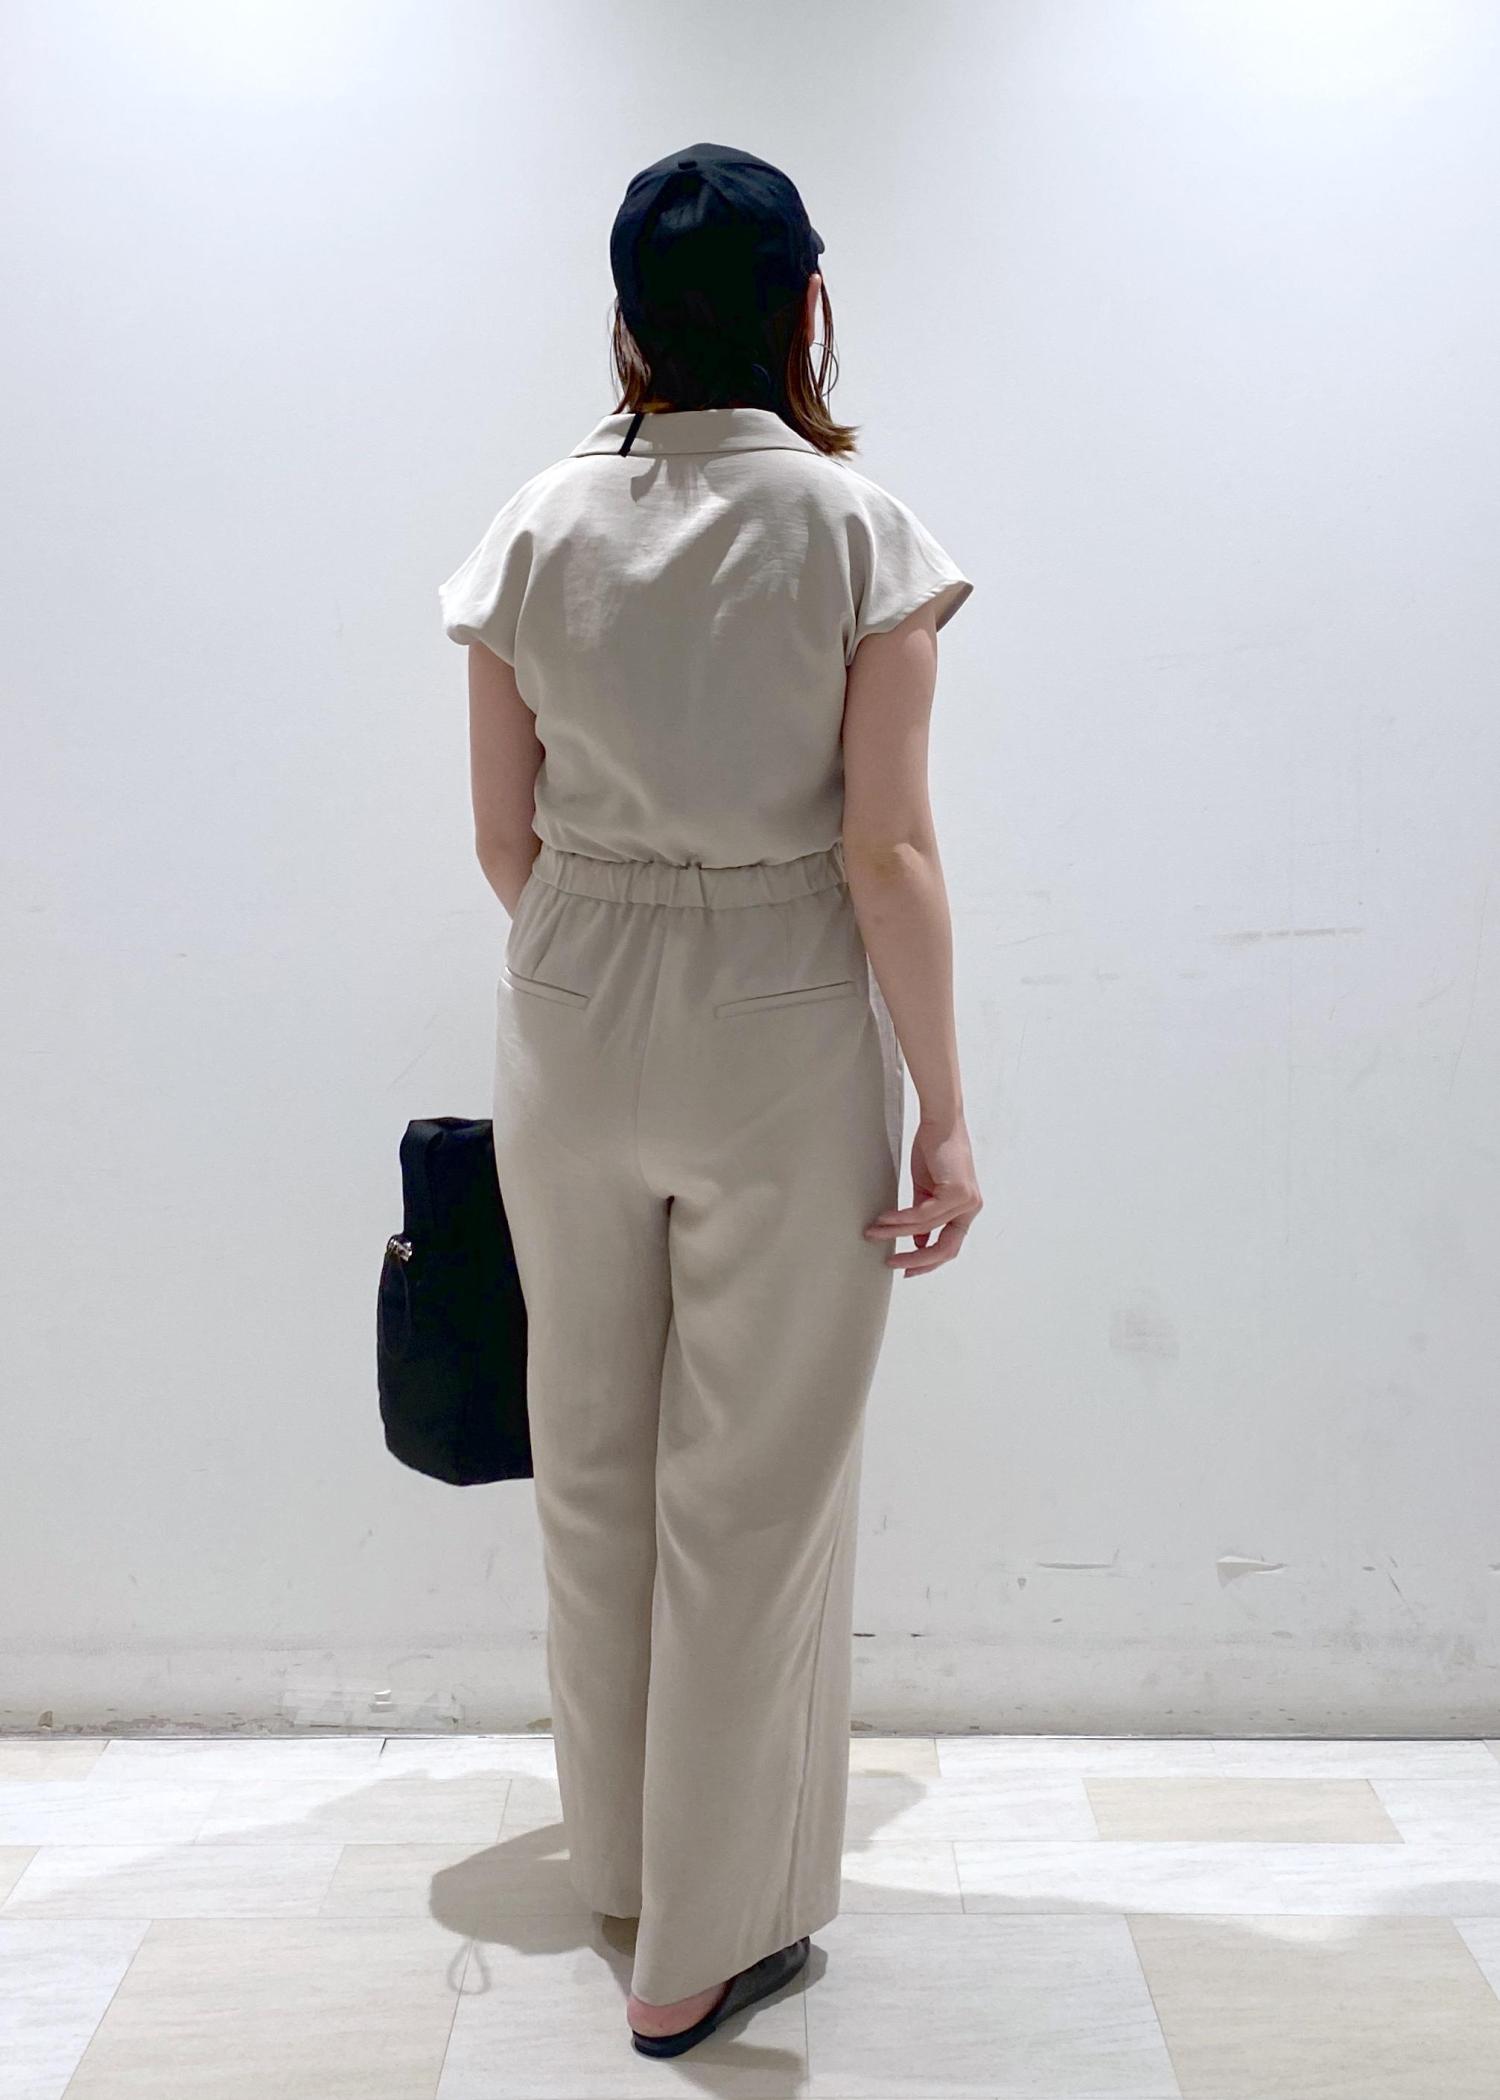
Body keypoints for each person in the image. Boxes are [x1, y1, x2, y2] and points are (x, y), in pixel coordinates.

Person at [437, 140, 983, 2059]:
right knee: (749, 1489)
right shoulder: (860, 536)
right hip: (782, 1014)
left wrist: (607, 954)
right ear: (806, 306)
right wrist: (943, 1109)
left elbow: (500, 837)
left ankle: (624, 1863)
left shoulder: (533, 527)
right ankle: (704, 1937)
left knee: (592, 1458)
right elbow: (886, 852)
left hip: (572, 1002)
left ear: (628, 323)